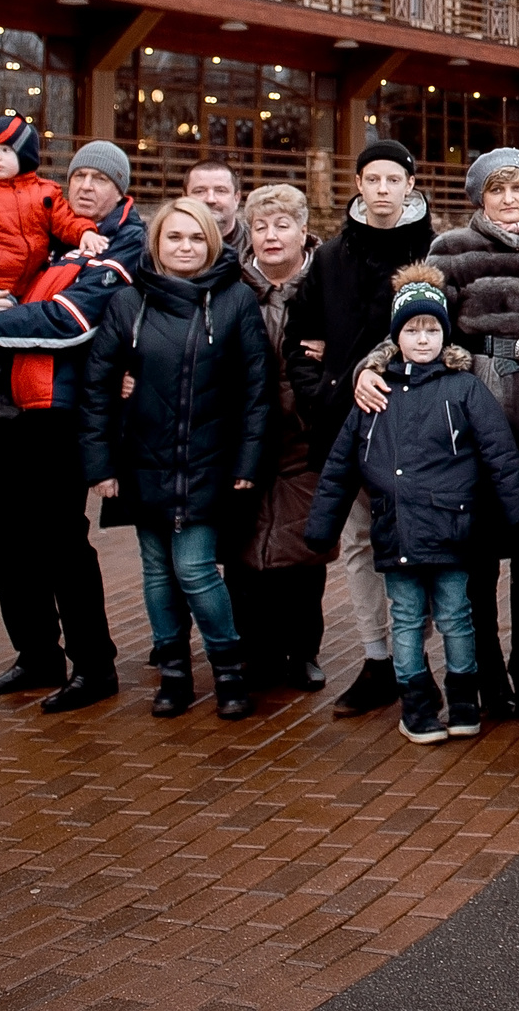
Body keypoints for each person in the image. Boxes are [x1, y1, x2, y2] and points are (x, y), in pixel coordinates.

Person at [348, 146, 519, 717]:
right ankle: (489, 668)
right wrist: (371, 367)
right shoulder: (451, 248)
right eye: (496, 190)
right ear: (479, 198)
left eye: (518, 188)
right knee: (477, 546)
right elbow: (416, 324)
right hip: (479, 403)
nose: (509, 200)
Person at [305, 267, 519, 744]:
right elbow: (341, 465)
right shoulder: (376, 392)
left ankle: (464, 700)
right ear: (397, 336)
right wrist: (321, 527)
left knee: (456, 616)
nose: (423, 337)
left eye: (432, 328)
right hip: (398, 531)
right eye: (412, 329)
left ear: (445, 332)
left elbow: (500, 455)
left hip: (454, 534)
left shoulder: (464, 387)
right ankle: (416, 703)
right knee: (405, 618)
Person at [0, 139, 142, 711]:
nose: (86, 186)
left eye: (99, 179)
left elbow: (71, 320)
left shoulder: (126, 242)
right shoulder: (55, 234)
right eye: (79, 176)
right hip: (7, 411)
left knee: (62, 541)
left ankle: (94, 665)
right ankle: (37, 654)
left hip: (62, 416)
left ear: (120, 189)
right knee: (9, 541)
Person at [78, 198, 274, 722]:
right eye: (174, 238)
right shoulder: (127, 303)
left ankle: (229, 668)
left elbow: (258, 390)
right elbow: (98, 386)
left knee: (194, 569)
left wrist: (247, 462)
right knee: (158, 573)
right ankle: (173, 673)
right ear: (156, 243)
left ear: (211, 242)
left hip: (210, 461)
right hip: (144, 459)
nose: (184, 247)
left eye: (194, 238)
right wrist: (98, 464)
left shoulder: (235, 301)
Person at [286, 139, 439, 719]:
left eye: (392, 179)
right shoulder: (328, 259)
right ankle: (377, 658)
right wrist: (330, 390)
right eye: (371, 178)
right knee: (356, 545)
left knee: (416, 544)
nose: (381, 189)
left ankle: (411, 655)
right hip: (344, 427)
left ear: (409, 184)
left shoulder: (433, 250)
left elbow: (447, 339)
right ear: (357, 184)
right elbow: (297, 342)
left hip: (415, 429)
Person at [225, 184, 325, 693]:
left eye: (282, 225)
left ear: (302, 231)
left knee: (302, 554)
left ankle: (303, 650)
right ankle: (253, 650)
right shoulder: (231, 284)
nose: (271, 236)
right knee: (243, 553)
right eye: (261, 226)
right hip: (244, 439)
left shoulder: (324, 284)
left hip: (305, 439)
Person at [0, 113, 107, 303]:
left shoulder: (46, 193)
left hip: (29, 284)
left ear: (24, 153)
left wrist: (85, 233)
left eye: (5, 150)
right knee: (3, 322)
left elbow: (65, 220)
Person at [185, 158, 249, 266]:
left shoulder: (256, 248)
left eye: (221, 191)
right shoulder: (163, 247)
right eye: (199, 191)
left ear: (236, 198)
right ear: (185, 197)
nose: (210, 199)